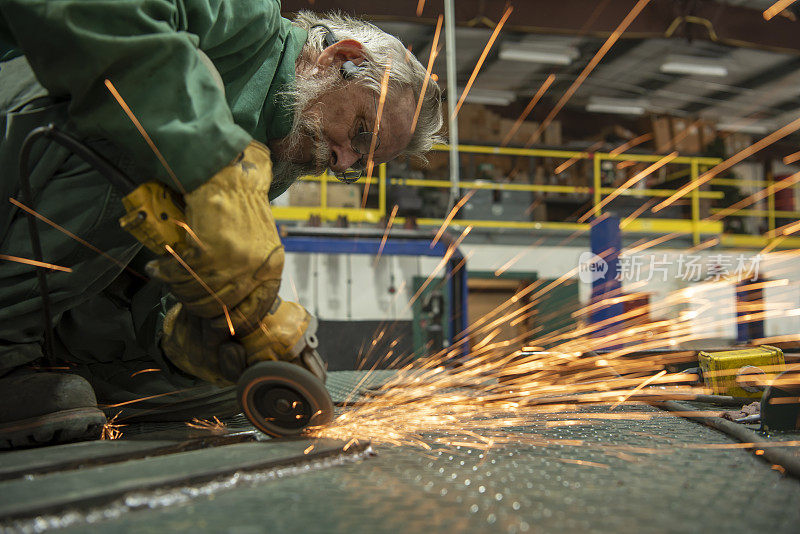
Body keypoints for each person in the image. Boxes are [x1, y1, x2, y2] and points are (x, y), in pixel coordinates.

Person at [0, 1, 442, 448]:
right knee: (131, 122)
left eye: (359, 164)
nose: (342, 159)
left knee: (225, 387)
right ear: (339, 59)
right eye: (362, 133)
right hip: (24, 127)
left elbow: (142, 260)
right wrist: (212, 163)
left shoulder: (278, 154)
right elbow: (98, 13)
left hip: (58, 306)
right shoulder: (244, 18)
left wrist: (188, 340)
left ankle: (69, 368)